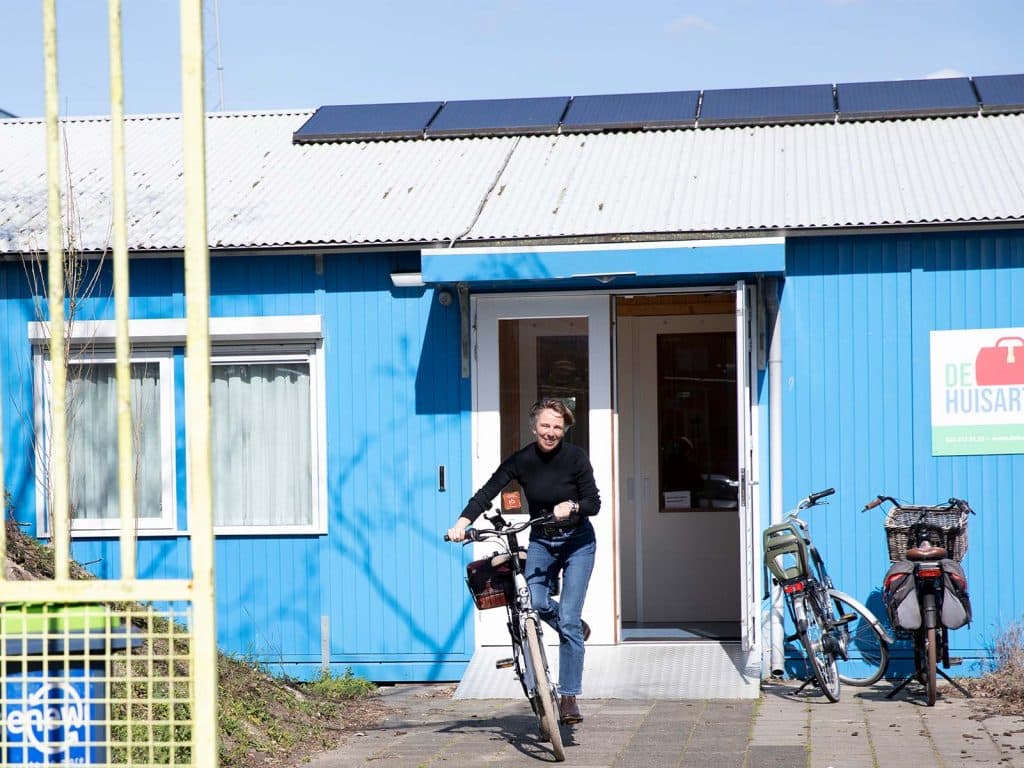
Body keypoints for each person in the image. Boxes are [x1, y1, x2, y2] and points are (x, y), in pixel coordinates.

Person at [447, 397, 600, 724]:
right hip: (543, 541)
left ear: (565, 430)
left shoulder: (575, 458)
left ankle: (569, 697)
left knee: (568, 620)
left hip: (578, 543)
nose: (551, 432)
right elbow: (488, 490)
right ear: (534, 427)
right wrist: (462, 523)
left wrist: (573, 506)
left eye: (557, 427)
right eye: (545, 426)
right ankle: (572, 628)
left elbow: (594, 502)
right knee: (537, 603)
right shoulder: (522, 460)